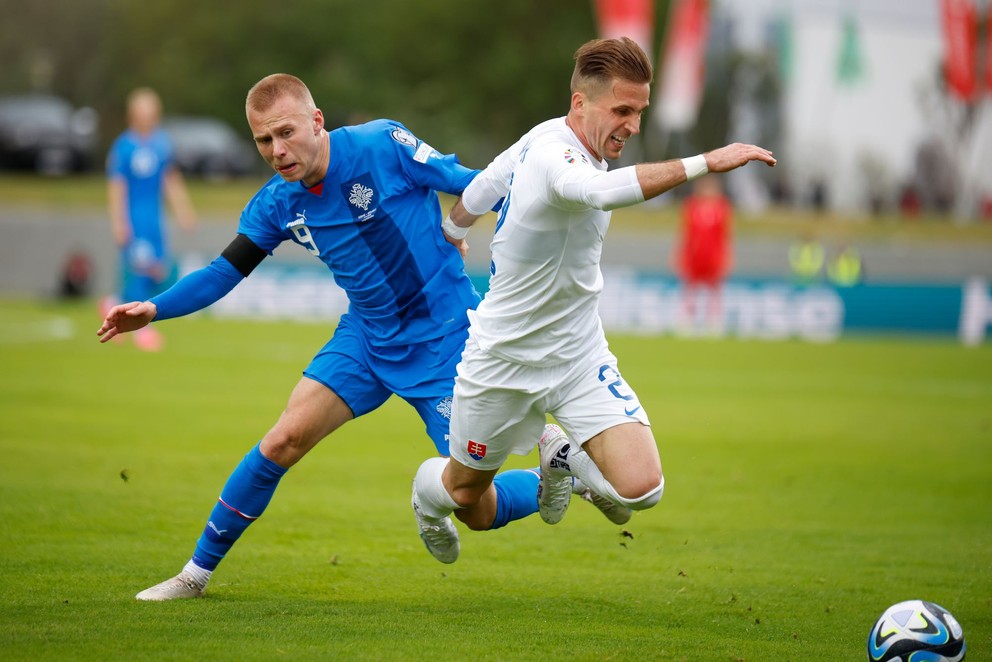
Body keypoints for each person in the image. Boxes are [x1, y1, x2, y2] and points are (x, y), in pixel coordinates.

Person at [98, 74, 619, 601]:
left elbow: (476, 183)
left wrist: (484, 235)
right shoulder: (277, 203)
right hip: (366, 340)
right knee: (282, 439)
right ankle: (195, 574)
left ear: (316, 120)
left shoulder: (380, 144)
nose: (277, 151)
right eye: (263, 140)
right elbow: (221, 272)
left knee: (474, 509)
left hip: (445, 343)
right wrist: (154, 308)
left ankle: (558, 477)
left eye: (286, 132)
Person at [410, 37, 776, 560]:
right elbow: (602, 192)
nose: (633, 124)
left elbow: (485, 185)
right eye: (622, 110)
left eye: (640, 111)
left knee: (642, 490)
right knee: (469, 499)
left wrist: (452, 229)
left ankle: (565, 462)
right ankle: (427, 502)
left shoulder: (545, 135)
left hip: (577, 354)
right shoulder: (558, 159)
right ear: (580, 103)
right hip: (502, 360)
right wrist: (705, 163)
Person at [105, 87, 196, 351]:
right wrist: (119, 221)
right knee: (140, 270)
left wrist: (183, 210)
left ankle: (113, 303)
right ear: (133, 115)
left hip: (155, 219)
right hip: (134, 218)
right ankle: (141, 330)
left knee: (159, 270)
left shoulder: (161, 144)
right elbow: (117, 187)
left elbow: (171, 180)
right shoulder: (124, 146)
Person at [672, 175, 733, 334]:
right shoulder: (691, 206)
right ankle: (687, 321)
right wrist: (680, 255)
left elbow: (725, 235)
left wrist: (726, 257)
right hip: (695, 255)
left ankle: (713, 322)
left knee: (714, 289)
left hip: (713, 256)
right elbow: (685, 233)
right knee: (690, 289)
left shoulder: (722, 207)